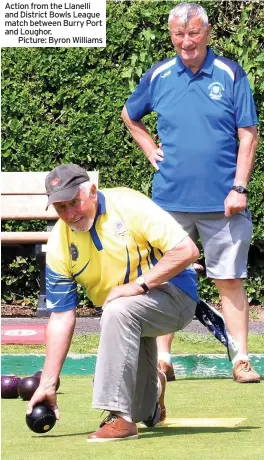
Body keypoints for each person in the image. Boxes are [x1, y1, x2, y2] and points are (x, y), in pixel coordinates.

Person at [122, 2, 260, 383]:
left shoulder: (231, 74)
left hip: (224, 202)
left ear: (208, 32)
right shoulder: (160, 75)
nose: (187, 41)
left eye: (194, 33)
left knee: (229, 280)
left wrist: (239, 186)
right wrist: (148, 147)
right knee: (166, 278)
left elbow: (248, 134)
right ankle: (164, 360)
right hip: (169, 203)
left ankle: (241, 359)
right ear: (171, 36)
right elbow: (129, 114)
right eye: (179, 35)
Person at [27, 163, 200, 442]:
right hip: (129, 314)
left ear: (92, 192)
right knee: (142, 410)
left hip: (175, 295)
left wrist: (138, 286)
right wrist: (48, 383)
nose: (70, 214)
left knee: (117, 310)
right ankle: (153, 390)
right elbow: (61, 317)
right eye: (60, 208)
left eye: (74, 202)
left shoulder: (128, 204)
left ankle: (119, 418)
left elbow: (187, 250)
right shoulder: (59, 242)